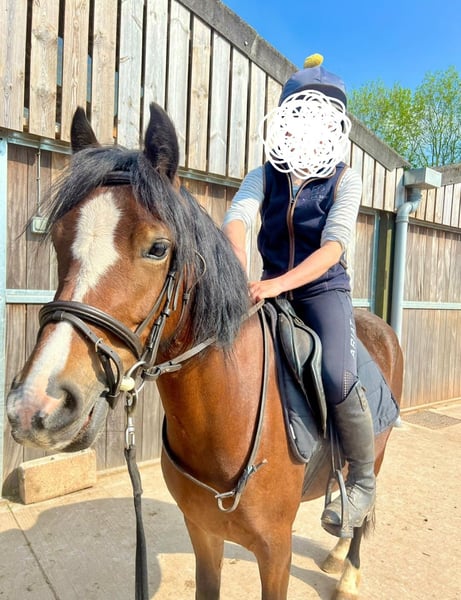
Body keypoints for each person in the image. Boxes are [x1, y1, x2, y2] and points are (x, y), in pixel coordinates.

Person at [222, 54, 375, 538]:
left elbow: (333, 247)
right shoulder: (264, 174)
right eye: (299, 117)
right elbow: (237, 218)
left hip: (321, 289)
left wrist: (276, 284)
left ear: (332, 127)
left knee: (336, 374)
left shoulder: (345, 179)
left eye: (319, 120)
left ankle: (362, 481)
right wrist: (239, 265)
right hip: (266, 284)